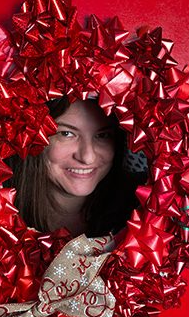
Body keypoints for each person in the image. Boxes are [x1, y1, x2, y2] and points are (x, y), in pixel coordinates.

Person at [7, 98, 139, 237]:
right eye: (66, 134)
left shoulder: (142, 206)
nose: (88, 157)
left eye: (102, 135)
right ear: (31, 139)